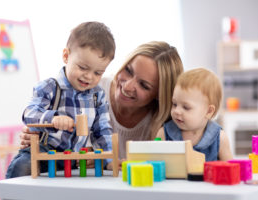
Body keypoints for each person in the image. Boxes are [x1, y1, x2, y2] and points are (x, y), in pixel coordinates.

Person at [19, 41, 184, 167]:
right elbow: (43, 119)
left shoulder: (163, 124)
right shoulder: (91, 88)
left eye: (144, 85)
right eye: (128, 70)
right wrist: (40, 133)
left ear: (159, 95)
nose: (127, 86)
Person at [6, 21, 116, 178]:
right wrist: (54, 118)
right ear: (66, 56)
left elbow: (103, 130)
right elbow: (29, 113)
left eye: (98, 73)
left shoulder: (97, 95)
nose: (89, 76)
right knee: (23, 167)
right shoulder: (49, 87)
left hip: (73, 159)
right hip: (44, 151)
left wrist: (108, 158)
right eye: (83, 68)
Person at [156, 68, 233, 161]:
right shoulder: (164, 133)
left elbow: (231, 170)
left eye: (186, 107)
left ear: (208, 112)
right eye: (175, 104)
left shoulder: (220, 138)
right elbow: (155, 167)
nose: (177, 111)